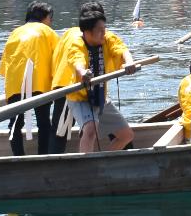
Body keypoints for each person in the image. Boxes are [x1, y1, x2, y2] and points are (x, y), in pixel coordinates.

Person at [58, 8, 135, 152]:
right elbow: (77, 60)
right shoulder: (76, 43)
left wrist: (129, 62)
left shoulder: (106, 39)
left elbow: (121, 48)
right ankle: (86, 168)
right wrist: (83, 73)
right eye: (100, 30)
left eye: (104, 28)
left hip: (100, 97)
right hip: (80, 97)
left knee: (126, 135)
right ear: (87, 32)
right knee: (90, 129)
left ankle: (103, 163)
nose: (104, 33)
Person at [0, 2, 61, 156]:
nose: (51, 22)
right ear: (45, 18)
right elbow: (59, 60)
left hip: (15, 84)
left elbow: (4, 68)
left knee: (15, 124)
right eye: (50, 18)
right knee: (44, 123)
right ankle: (43, 157)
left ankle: (18, 158)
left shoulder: (15, 33)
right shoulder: (48, 32)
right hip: (40, 83)